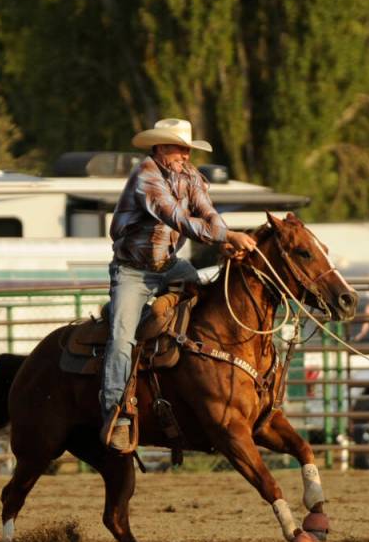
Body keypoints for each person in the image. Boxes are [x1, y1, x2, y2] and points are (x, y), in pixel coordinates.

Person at [101, 118, 257, 452]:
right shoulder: (146, 176)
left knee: (210, 302)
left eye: (187, 149)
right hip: (132, 271)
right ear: (159, 148)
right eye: (178, 148)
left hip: (169, 266)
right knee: (121, 339)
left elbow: (207, 212)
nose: (184, 155)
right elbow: (177, 217)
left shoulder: (191, 177)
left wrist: (222, 239)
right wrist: (228, 237)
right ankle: (118, 415)